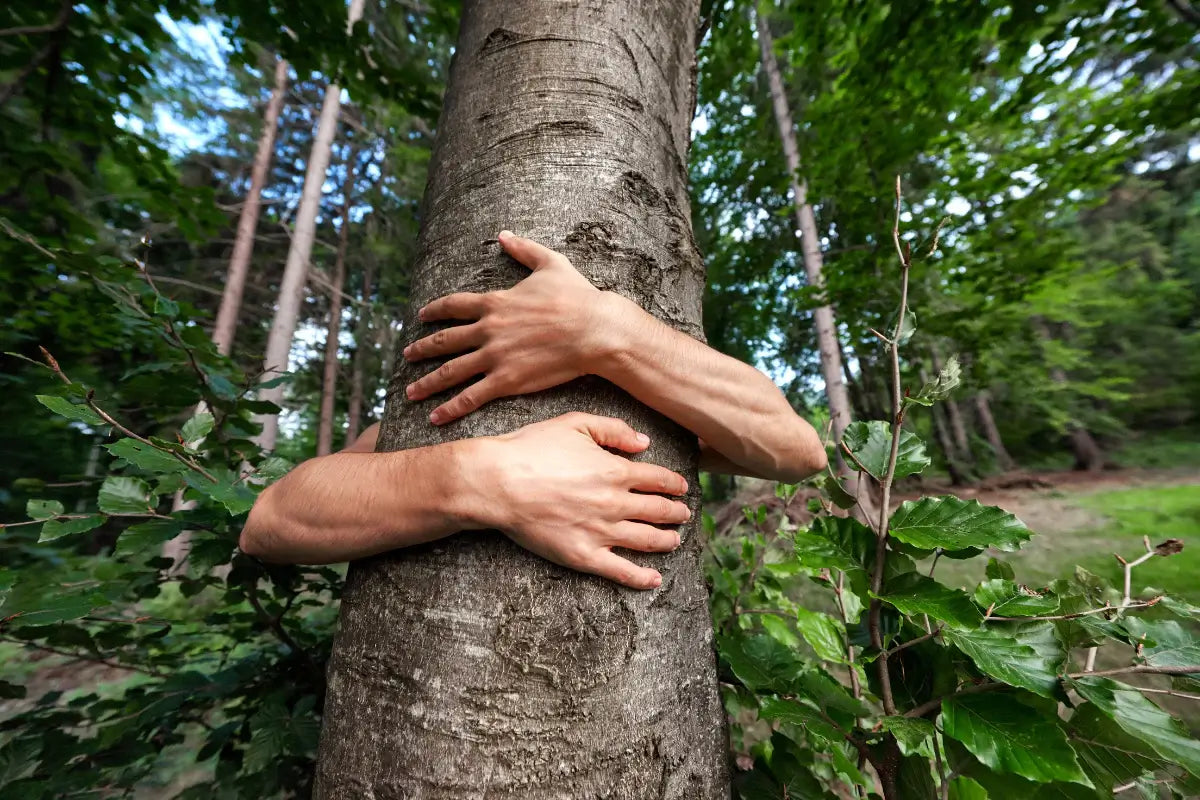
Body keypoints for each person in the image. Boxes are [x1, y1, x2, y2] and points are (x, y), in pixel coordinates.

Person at [240, 231, 827, 589]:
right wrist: (487, 479)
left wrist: (603, 329)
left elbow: (795, 450)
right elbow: (272, 522)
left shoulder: (660, 400)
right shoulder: (434, 411)